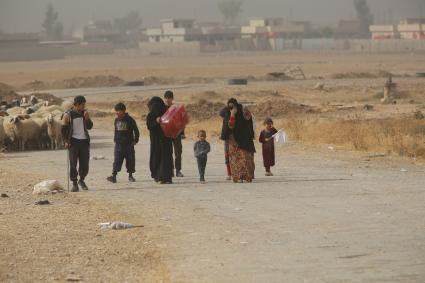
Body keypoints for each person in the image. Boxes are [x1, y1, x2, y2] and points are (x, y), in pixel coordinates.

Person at [62, 95, 93, 192]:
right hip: (73, 142)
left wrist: (87, 119)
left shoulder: (85, 113)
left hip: (84, 141)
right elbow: (63, 129)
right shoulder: (68, 115)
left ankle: (82, 180)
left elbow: (89, 127)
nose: (84, 106)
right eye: (83, 105)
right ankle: (74, 183)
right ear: (77, 105)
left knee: (85, 164)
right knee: (73, 164)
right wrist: (66, 141)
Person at [221, 98, 256, 183]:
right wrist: (232, 114)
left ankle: (247, 176)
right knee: (235, 159)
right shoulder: (228, 113)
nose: (231, 108)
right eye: (230, 107)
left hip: (244, 139)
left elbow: (250, 120)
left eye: (233, 107)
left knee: (245, 158)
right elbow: (229, 126)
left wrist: (233, 114)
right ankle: (239, 177)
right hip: (233, 141)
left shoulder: (243, 111)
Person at [107, 102, 140, 183]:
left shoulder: (130, 120)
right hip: (118, 145)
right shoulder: (116, 120)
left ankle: (130, 176)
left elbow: (136, 131)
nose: (117, 112)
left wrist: (135, 140)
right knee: (117, 160)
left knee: (130, 160)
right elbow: (116, 130)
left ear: (123, 111)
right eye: (116, 111)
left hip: (129, 145)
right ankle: (114, 176)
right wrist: (115, 138)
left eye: (118, 111)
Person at [146, 96, 173, 184]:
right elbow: (150, 127)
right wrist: (156, 122)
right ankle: (159, 177)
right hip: (156, 140)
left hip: (165, 139)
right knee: (157, 158)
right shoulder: (150, 116)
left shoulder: (167, 114)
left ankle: (167, 178)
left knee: (166, 158)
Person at [163, 90, 185, 177]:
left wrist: (182, 132)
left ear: (172, 99)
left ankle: (178, 170)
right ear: (164, 98)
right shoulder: (162, 108)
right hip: (166, 134)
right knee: (168, 153)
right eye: (166, 98)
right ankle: (170, 170)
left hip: (176, 133)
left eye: (169, 98)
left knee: (178, 152)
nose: (168, 99)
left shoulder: (176, 109)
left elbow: (181, 121)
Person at [220, 107, 232, 180]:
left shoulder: (229, 120)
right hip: (228, 140)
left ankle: (230, 173)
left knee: (229, 156)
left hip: (230, 141)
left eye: (222, 117)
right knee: (228, 156)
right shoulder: (226, 121)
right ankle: (229, 173)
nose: (222, 119)